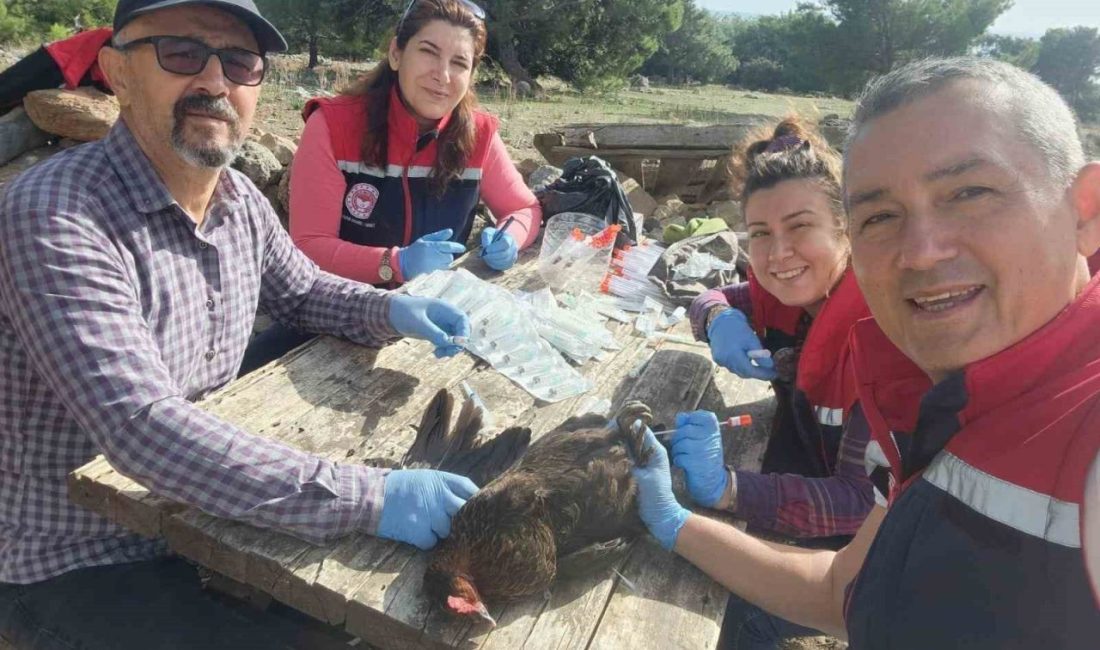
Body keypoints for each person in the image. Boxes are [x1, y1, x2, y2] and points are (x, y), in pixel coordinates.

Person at [0, 1, 479, 647]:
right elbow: (140, 427)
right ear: (117, 72)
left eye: (240, 61)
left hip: (203, 518)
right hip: (77, 557)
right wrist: (374, 498)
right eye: (181, 54)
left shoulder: (237, 200)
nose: (214, 81)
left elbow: (303, 290)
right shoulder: (57, 216)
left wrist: (389, 308)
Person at [632, 57, 1100, 649]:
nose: (922, 251)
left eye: (969, 192)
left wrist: (729, 488)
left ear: (1085, 210)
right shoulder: (947, 386)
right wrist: (680, 525)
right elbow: (844, 593)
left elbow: (853, 504)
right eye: (882, 215)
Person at [239, 0, 542, 373]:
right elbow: (308, 249)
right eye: (429, 52)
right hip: (332, 318)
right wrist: (395, 263)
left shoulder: (479, 135)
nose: (443, 75)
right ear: (396, 53)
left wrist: (511, 237)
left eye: (459, 63)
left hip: (441, 323)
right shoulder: (334, 126)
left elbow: (524, 208)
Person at [684, 117, 874, 648]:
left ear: (846, 228)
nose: (777, 253)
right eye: (760, 234)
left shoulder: (884, 338)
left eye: (799, 227)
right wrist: (718, 320)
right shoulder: (785, 289)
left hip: (870, 543)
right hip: (804, 464)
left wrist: (730, 489)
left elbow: (860, 503)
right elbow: (712, 296)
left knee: (733, 611)